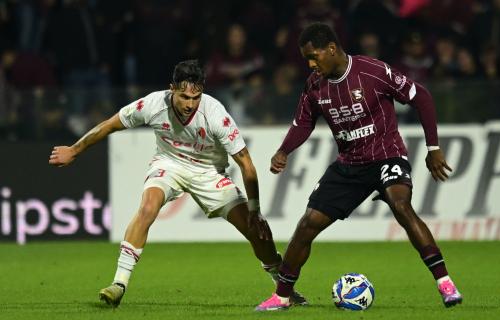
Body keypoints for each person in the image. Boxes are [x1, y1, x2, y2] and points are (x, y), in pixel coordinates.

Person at [48, 60, 306, 307]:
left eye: (196, 98)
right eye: (184, 97)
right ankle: (119, 283)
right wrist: (74, 150)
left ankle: (283, 288)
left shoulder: (215, 113)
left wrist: (255, 211)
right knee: (148, 208)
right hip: (169, 164)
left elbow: (246, 165)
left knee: (256, 232)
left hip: (209, 172)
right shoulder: (152, 104)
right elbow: (109, 125)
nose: (190, 104)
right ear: (172, 89)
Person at [255, 23, 463, 311]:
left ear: (331, 48)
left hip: (386, 156)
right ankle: (282, 296)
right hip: (349, 165)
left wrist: (433, 148)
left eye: (314, 57)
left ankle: (445, 284)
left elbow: (421, 96)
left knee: (401, 206)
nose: (312, 65)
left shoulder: (373, 71)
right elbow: (303, 122)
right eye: (307, 60)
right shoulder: (315, 85)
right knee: (307, 225)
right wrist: (284, 150)